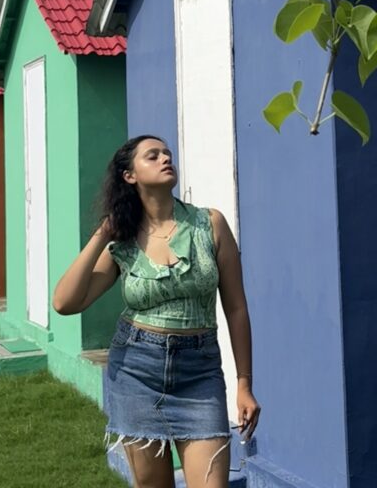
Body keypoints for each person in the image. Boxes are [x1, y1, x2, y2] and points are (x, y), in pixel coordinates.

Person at [52, 135, 260, 488]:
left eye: (167, 153)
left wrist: (244, 384)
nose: (166, 158)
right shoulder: (123, 241)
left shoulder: (209, 225)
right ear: (129, 175)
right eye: (153, 155)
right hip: (135, 371)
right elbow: (65, 302)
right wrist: (103, 233)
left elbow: (236, 308)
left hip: (200, 374)